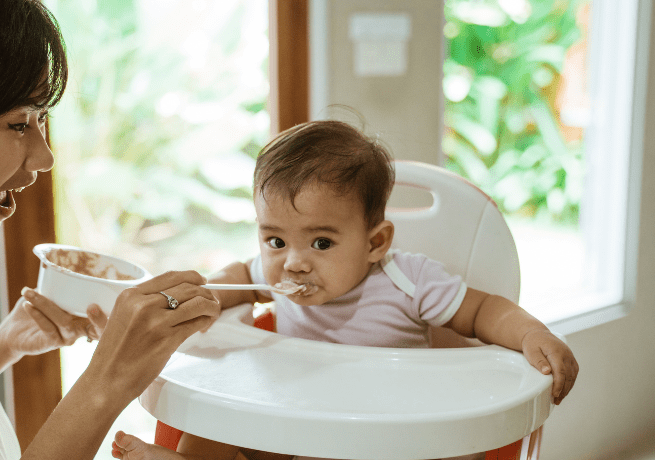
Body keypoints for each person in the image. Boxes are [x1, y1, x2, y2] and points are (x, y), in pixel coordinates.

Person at [112, 120, 580, 460]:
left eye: (321, 242)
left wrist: (530, 335)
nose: (293, 260)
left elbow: (483, 311)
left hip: (383, 439)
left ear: (375, 243)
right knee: (221, 414)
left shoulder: (408, 280)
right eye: (275, 240)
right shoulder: (274, 277)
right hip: (294, 425)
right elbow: (235, 280)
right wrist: (198, 299)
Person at [0, 1, 220, 459]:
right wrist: (108, 378)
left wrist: (3, 345)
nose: (44, 157)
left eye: (41, 121)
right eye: (19, 124)